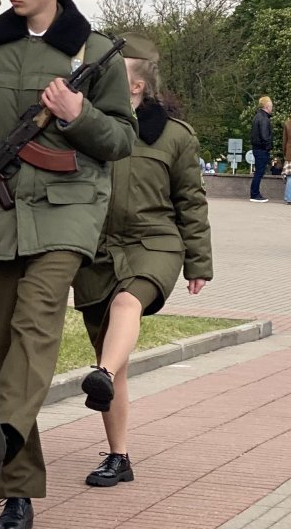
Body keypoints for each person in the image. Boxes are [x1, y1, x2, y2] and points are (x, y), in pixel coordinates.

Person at [0, 0, 135, 529]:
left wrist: (80, 116)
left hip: (68, 209)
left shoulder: (93, 53)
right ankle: (17, 489)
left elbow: (121, 142)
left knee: (39, 314)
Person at [72, 35, 211, 489]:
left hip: (155, 243)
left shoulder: (174, 137)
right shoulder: (86, 128)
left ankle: (103, 374)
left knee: (126, 305)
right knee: (112, 356)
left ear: (134, 87)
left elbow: (191, 200)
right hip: (97, 252)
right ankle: (119, 455)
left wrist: (198, 263)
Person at [248, 96, 274, 201]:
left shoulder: (257, 116)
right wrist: (268, 147)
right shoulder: (264, 118)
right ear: (267, 105)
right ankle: (255, 194)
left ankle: (255, 193)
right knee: (259, 172)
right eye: (271, 105)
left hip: (257, 147)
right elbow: (264, 135)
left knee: (258, 171)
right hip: (261, 149)